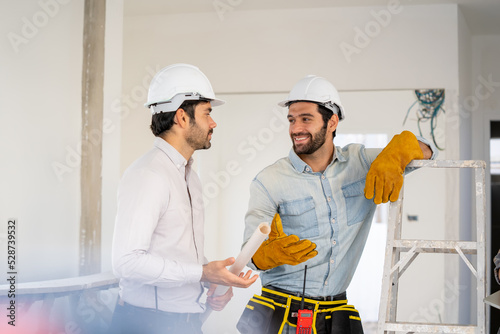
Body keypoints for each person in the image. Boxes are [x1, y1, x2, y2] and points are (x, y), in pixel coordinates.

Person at [239, 75, 436, 334]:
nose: (295, 128)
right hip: (281, 317)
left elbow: (428, 153)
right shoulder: (269, 181)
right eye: (291, 119)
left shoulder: (361, 163)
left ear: (332, 121)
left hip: (336, 316)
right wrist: (267, 254)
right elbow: (249, 255)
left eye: (305, 118)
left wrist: (398, 150)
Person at [109, 63, 258, 334]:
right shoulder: (148, 174)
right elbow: (126, 262)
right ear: (182, 117)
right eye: (207, 113)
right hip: (146, 323)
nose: (213, 123)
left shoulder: (189, 176)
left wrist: (211, 282)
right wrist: (202, 273)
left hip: (183, 322)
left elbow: (176, 250)